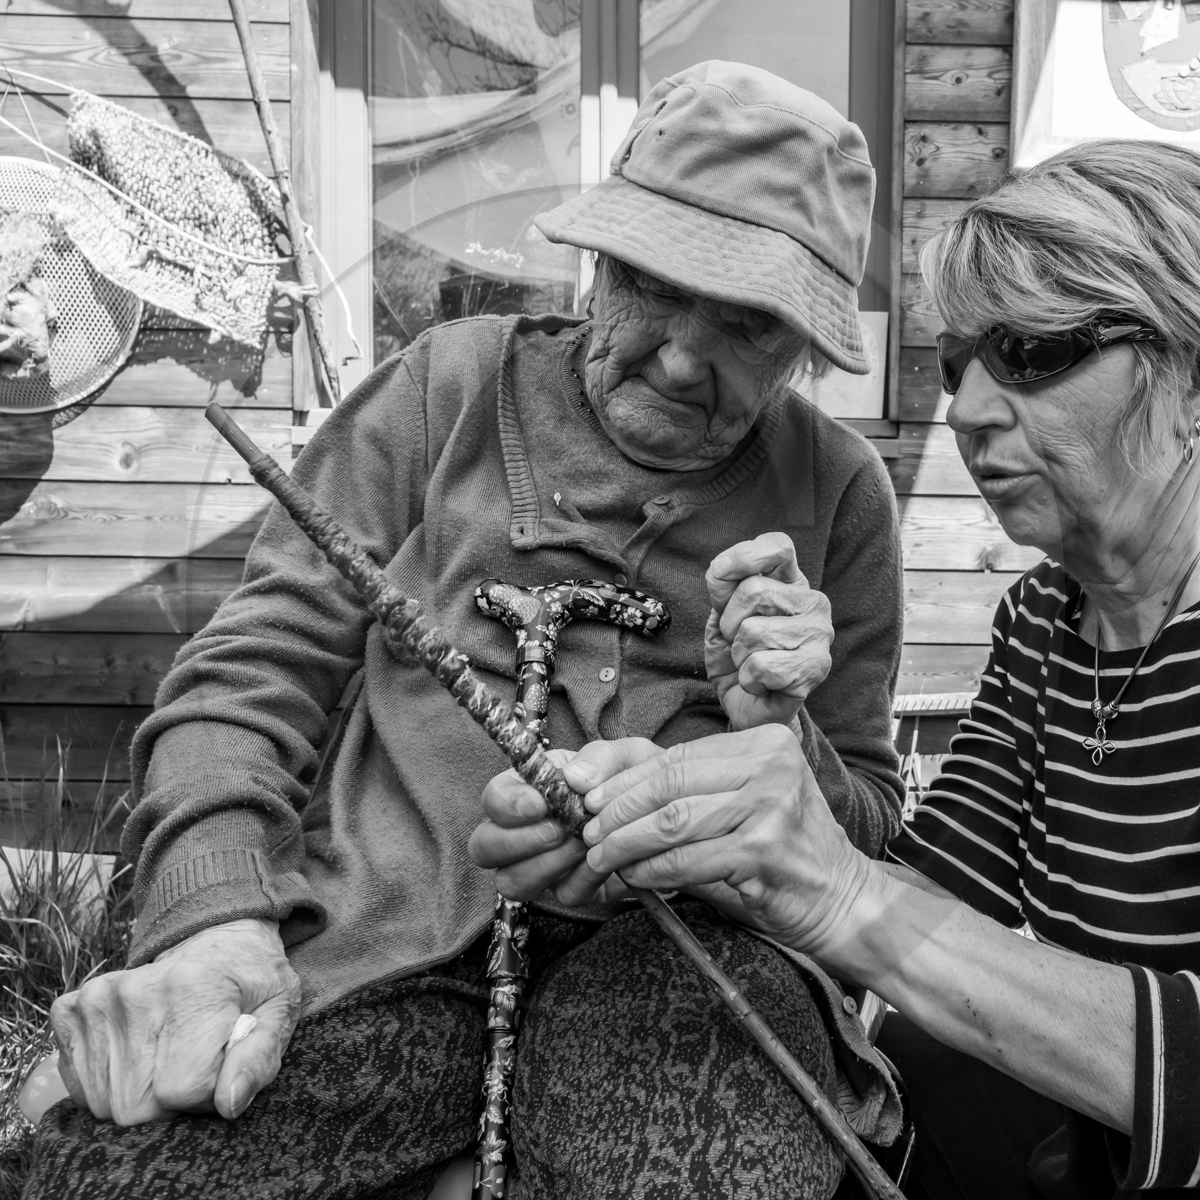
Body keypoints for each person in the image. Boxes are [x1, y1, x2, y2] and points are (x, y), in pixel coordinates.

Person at [27, 62, 907, 1200]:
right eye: (651, 286)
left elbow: (870, 825)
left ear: (803, 344)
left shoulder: (838, 493)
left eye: (746, 324)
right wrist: (215, 920)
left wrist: (787, 737)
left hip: (693, 967)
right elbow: (249, 677)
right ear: (598, 263)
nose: (685, 357)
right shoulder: (444, 389)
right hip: (382, 946)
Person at [477, 137, 1200, 1200]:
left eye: (1037, 355)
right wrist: (720, 794)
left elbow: (873, 907)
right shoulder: (1045, 623)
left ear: (1189, 371)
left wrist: (838, 890)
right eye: (961, 365)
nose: (974, 411)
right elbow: (933, 895)